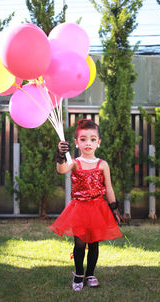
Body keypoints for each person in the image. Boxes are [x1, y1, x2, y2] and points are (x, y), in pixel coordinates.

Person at [49, 119, 124, 291]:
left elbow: (109, 188)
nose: (88, 143)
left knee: (95, 243)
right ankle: (78, 274)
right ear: (76, 143)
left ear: (99, 142)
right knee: (80, 243)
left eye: (92, 139)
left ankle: (90, 274)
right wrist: (60, 155)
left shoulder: (103, 164)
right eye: (83, 139)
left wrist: (114, 208)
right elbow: (61, 170)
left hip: (98, 208)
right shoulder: (74, 162)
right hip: (80, 209)